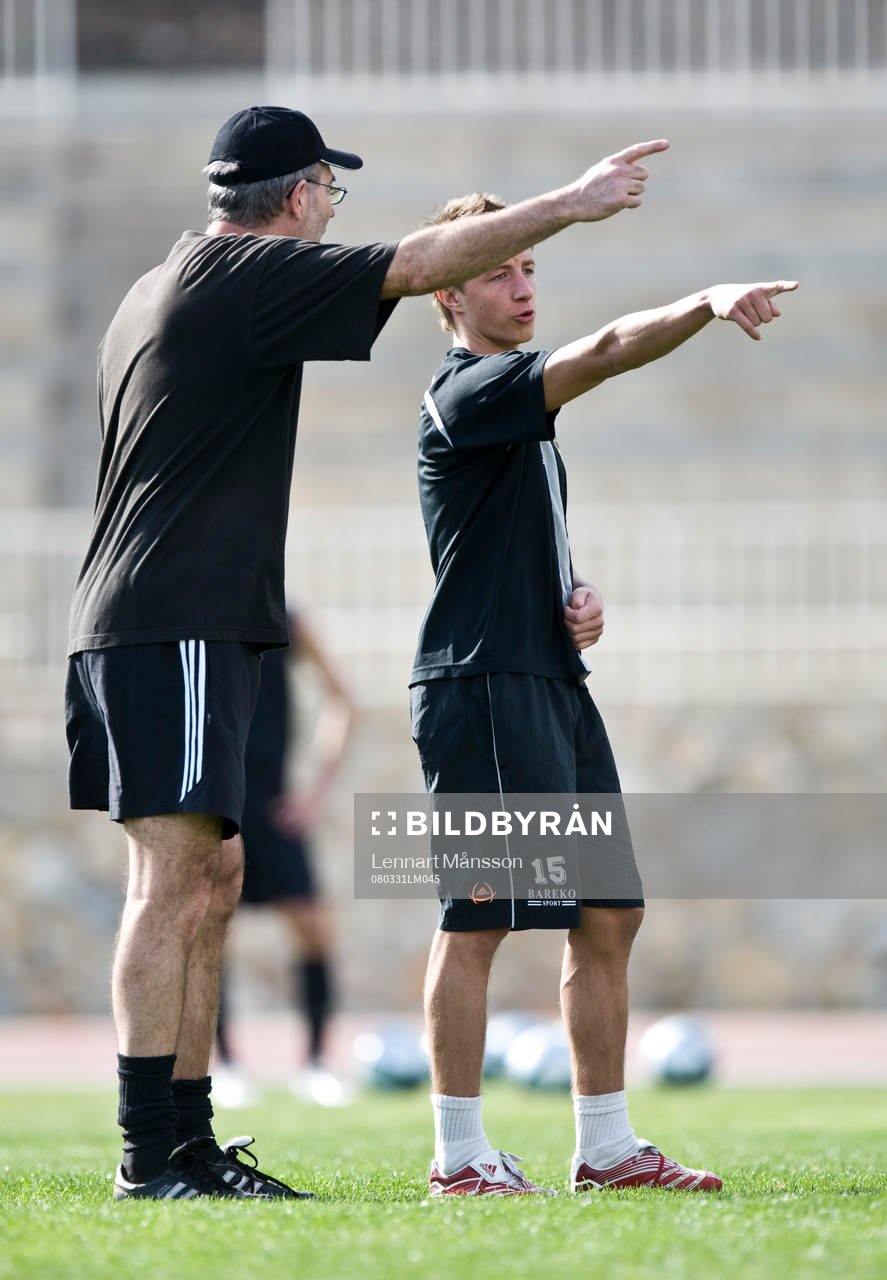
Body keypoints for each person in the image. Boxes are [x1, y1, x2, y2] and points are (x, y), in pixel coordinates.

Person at [64, 103, 669, 1201]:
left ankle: (184, 1144)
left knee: (210, 874)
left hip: (174, 617)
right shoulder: (238, 277)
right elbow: (419, 261)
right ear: (295, 196)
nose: (330, 213)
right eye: (327, 195)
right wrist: (574, 203)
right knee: (172, 880)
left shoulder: (161, 286)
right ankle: (152, 1152)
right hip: (175, 615)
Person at [410, 190, 798, 1196]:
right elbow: (613, 346)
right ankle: (458, 1160)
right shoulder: (469, 391)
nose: (522, 282)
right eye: (500, 267)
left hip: (545, 677)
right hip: (484, 685)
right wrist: (704, 299)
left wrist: (567, 604)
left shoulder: (509, 404)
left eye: (529, 265)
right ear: (449, 290)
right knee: (479, 916)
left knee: (610, 911)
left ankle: (607, 1148)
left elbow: (503, 546)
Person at [213, 607, 355, 1109]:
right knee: (209, 933)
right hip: (213, 803)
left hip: (272, 807)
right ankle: (225, 1065)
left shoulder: (288, 619)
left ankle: (316, 1063)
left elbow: (343, 702)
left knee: (314, 927)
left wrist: (313, 795)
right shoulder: (196, 611)